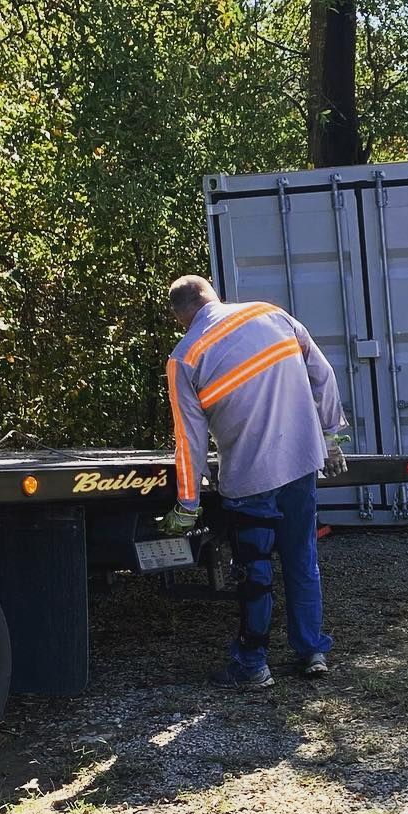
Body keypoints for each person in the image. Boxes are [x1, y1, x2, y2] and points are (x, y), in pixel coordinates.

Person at [162, 276, 349, 689]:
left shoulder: (185, 357)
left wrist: (187, 505)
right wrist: (332, 436)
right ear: (212, 295)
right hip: (301, 463)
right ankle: (312, 650)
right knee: (302, 558)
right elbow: (324, 373)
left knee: (255, 570)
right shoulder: (271, 314)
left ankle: (252, 665)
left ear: (181, 317)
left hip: (250, 477)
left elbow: (188, 442)